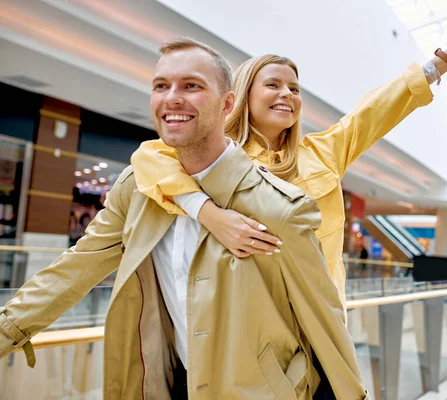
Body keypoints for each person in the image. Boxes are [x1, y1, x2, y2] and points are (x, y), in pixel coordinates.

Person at [0, 39, 368, 399]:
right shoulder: (138, 191)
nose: (172, 97)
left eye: (191, 86)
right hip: (169, 383)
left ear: (227, 104)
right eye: (161, 86)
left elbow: (322, 315)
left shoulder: (279, 207)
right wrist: (7, 329)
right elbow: (75, 268)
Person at [130, 18, 447, 309]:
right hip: (245, 328)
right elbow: (151, 157)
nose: (287, 94)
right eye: (273, 84)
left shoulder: (320, 154)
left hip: (321, 324)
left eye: (294, 89)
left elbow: (375, 111)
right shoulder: (217, 154)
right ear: (240, 96)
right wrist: (210, 214)